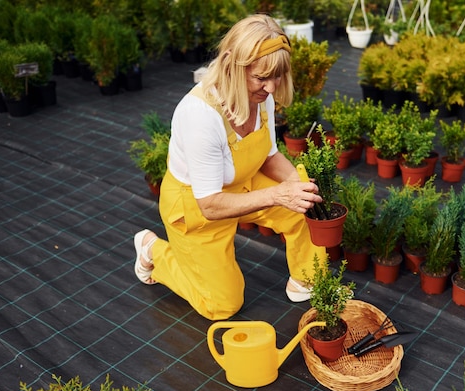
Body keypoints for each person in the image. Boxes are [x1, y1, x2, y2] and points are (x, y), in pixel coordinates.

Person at [133, 14, 328, 321]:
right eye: (261, 78)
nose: (271, 87)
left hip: (245, 181)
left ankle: (307, 278)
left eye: (277, 77)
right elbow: (210, 204)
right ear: (231, 66)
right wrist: (280, 195)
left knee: (305, 198)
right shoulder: (200, 115)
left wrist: (299, 187)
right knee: (222, 305)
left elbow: (269, 156)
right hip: (198, 207)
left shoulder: (262, 96)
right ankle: (154, 252)